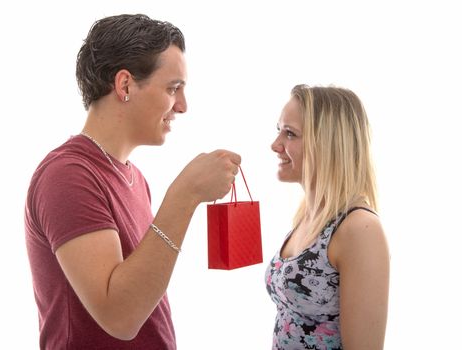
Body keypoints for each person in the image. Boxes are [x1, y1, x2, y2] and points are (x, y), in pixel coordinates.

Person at [24, 14, 240, 350]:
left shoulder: (133, 177)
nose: (182, 106)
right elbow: (120, 317)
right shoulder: (67, 176)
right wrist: (186, 194)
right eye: (173, 88)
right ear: (125, 85)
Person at [265, 84, 390, 350]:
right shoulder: (309, 217)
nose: (275, 145)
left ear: (328, 143)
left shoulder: (359, 228)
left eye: (290, 134)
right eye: (279, 131)